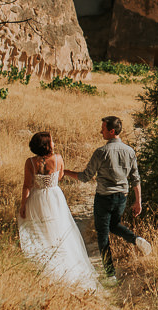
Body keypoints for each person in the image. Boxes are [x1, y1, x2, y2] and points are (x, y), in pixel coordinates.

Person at [64, 115, 151, 277]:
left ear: (111, 131)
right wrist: (138, 201)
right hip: (121, 198)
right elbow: (135, 179)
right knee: (114, 225)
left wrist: (65, 172)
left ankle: (110, 274)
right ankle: (135, 239)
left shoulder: (101, 152)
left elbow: (85, 177)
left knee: (103, 235)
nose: (100, 132)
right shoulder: (130, 151)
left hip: (104, 198)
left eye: (103, 129)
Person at [18, 131, 101, 293]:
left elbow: (27, 185)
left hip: (36, 198)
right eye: (52, 141)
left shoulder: (30, 162)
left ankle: (44, 264)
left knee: (39, 229)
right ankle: (63, 262)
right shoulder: (58, 159)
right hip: (54, 198)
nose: (54, 143)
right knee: (59, 229)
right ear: (47, 145)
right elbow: (61, 176)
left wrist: (23, 204)